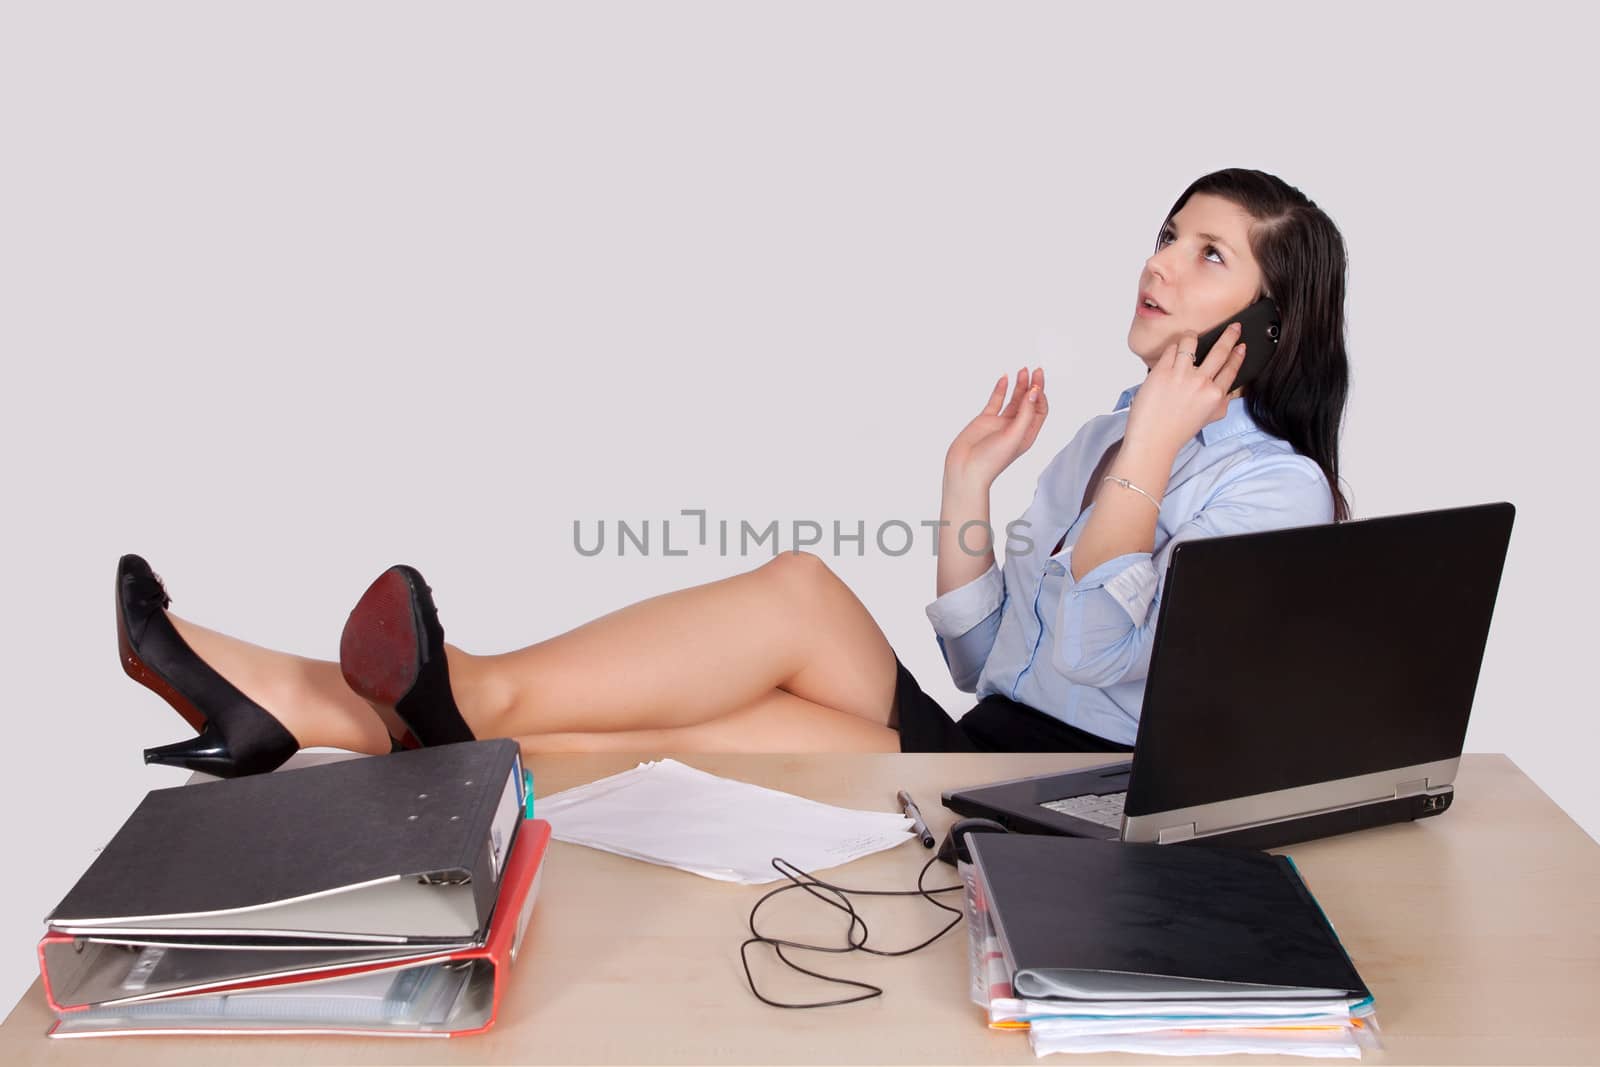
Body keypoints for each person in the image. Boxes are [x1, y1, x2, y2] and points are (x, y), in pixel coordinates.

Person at [116, 167, 1350, 777]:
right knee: (666, 716)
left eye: (1208, 256)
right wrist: (964, 486)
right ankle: (312, 700)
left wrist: (1149, 454)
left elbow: (1089, 676)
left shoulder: (1273, 493)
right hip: (986, 754)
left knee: (790, 600)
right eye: (1165, 234)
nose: (1162, 264)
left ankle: (410, 695)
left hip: (1073, 807)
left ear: (1269, 321)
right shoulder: (1099, 436)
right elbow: (987, 665)